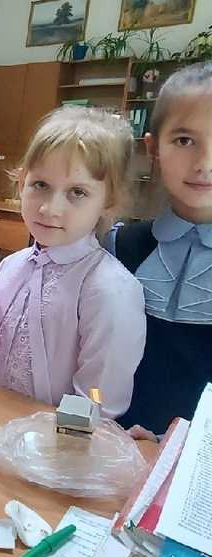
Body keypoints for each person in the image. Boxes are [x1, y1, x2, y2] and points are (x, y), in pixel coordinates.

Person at [0, 106, 146, 418]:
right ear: (21, 183)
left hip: (51, 440)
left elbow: (98, 398)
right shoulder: (10, 266)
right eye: (40, 185)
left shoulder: (111, 290)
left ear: (108, 201)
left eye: (77, 192)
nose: (50, 209)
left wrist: (57, 437)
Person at [107, 62, 212, 435]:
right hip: (109, 440)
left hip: (196, 458)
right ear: (153, 149)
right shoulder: (119, 245)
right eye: (184, 141)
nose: (204, 163)